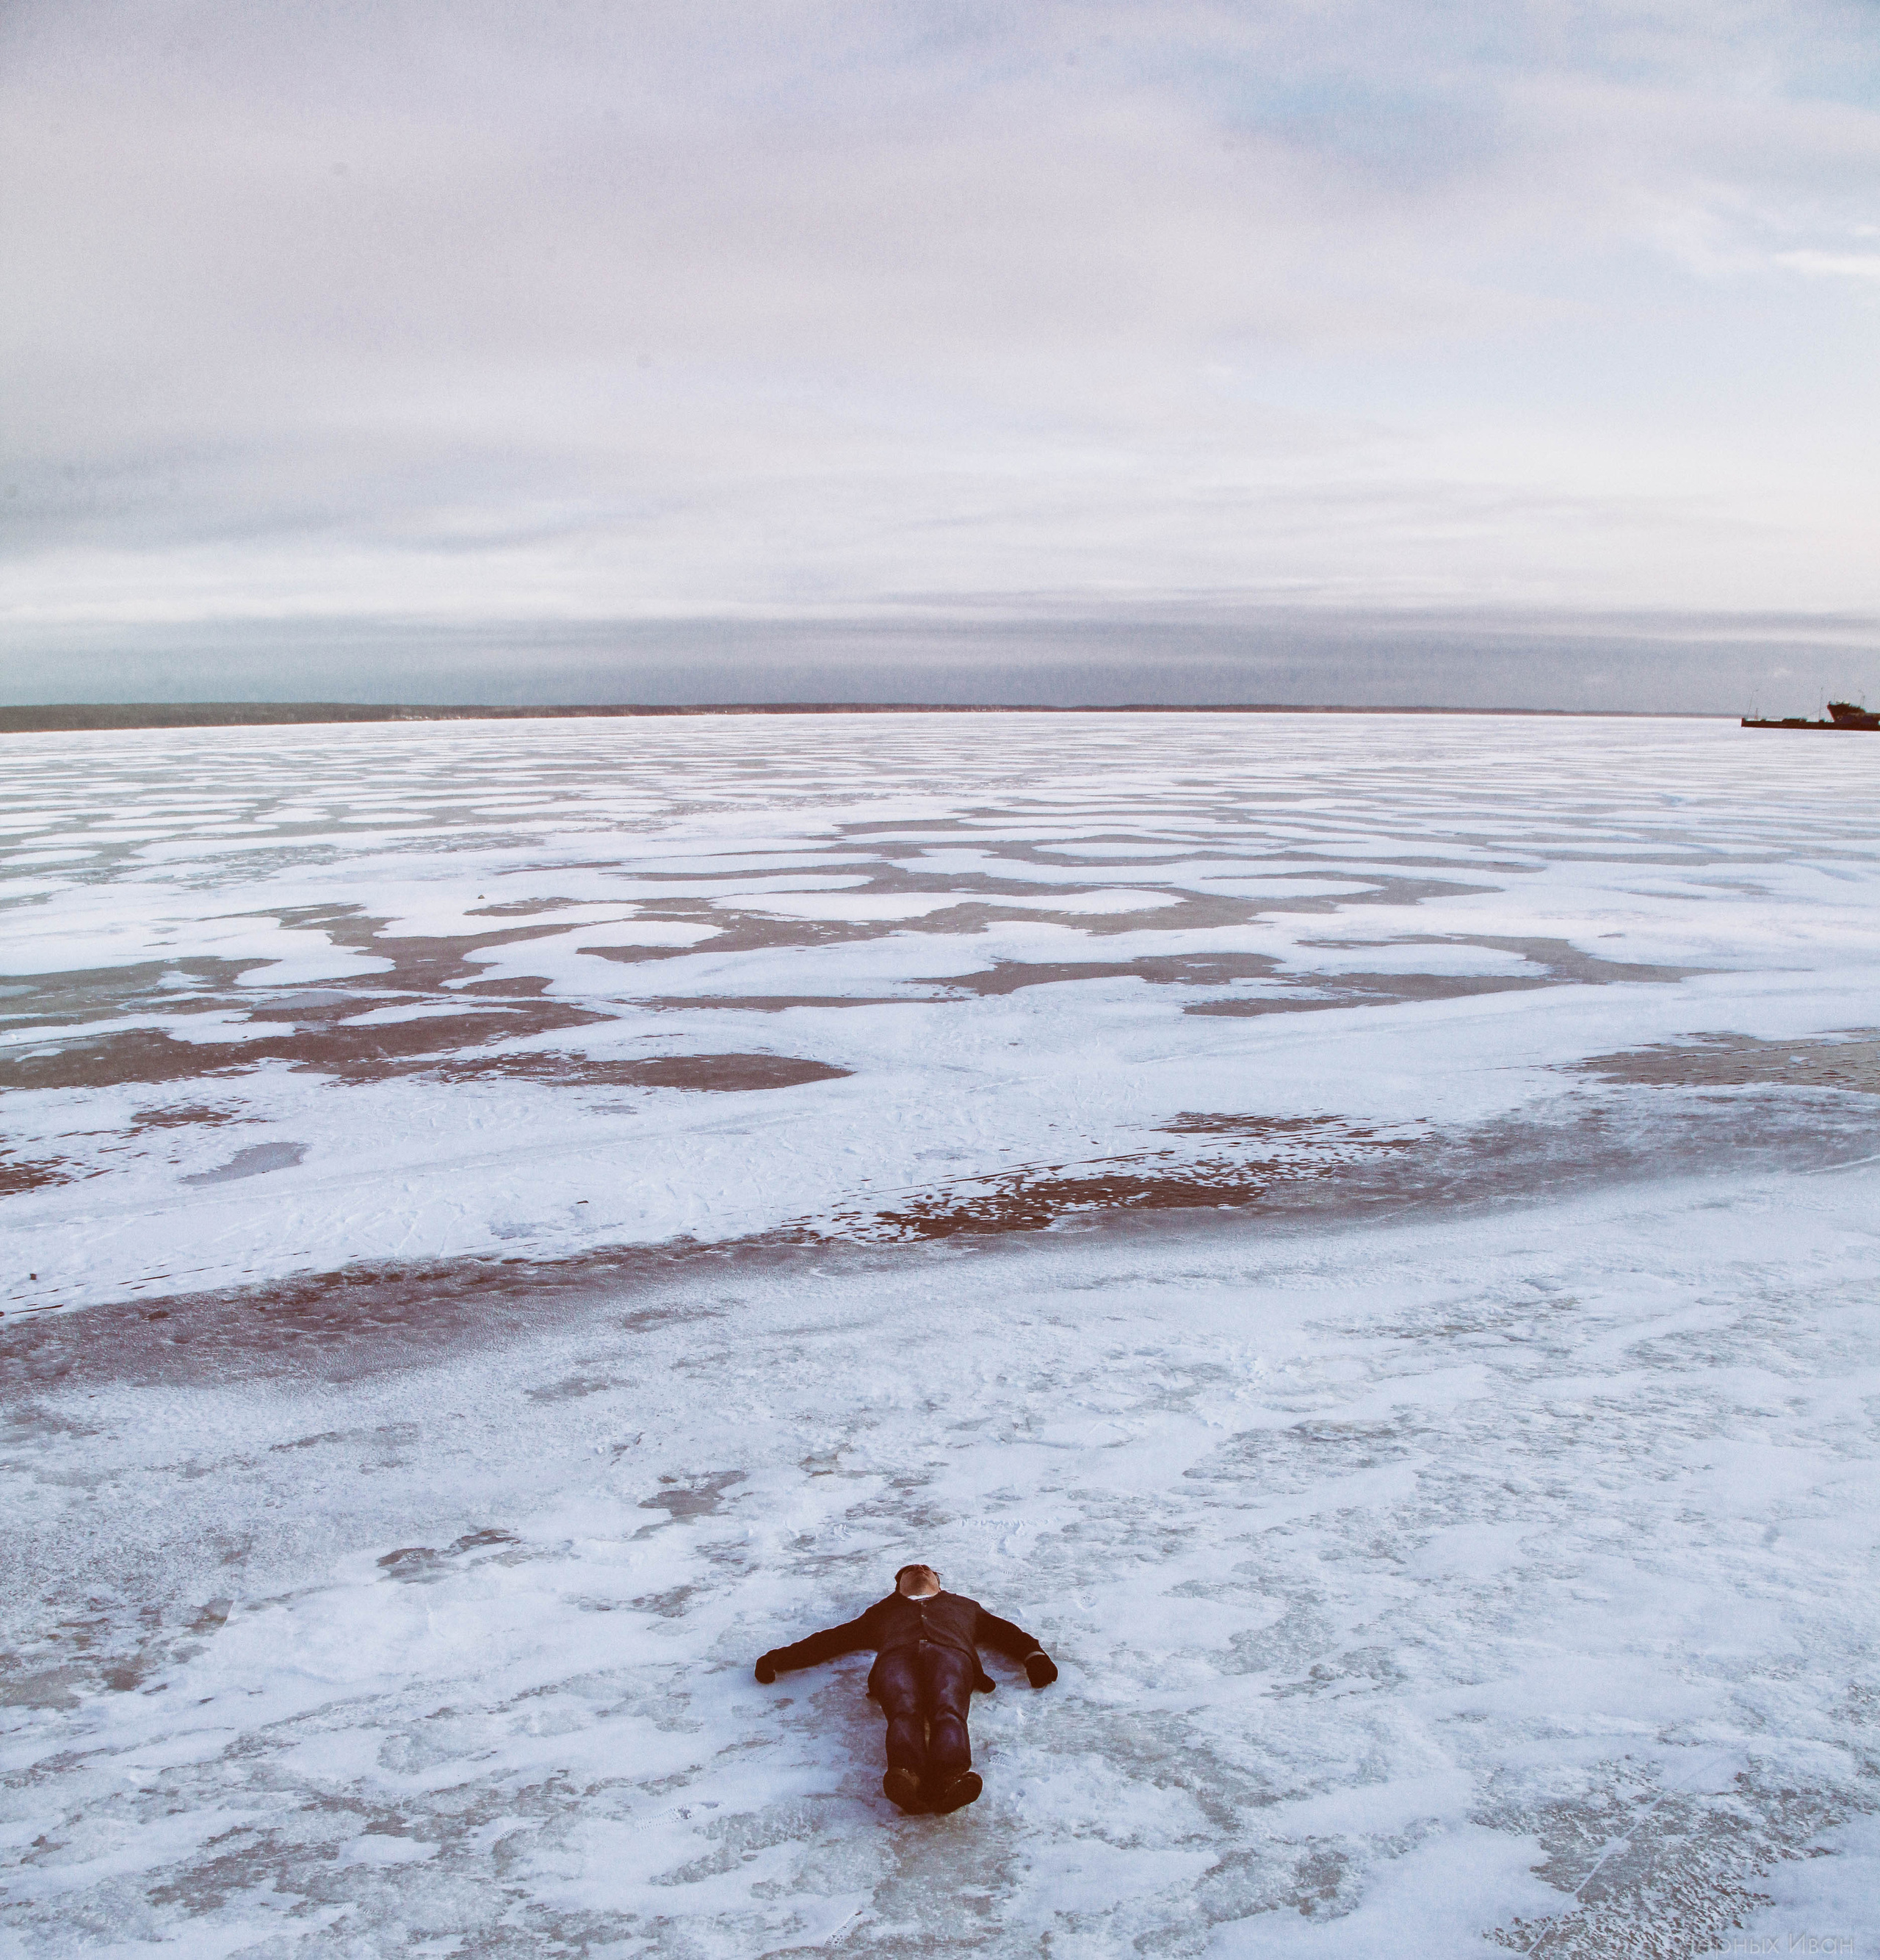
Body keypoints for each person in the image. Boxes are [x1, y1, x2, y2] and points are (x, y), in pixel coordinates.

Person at [753, 1562, 1058, 1815]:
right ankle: (905, 1776)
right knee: (903, 1710)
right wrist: (778, 1660)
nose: (921, 1570)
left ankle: (950, 1777)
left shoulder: (964, 1607)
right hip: (895, 1659)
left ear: (939, 1582)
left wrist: (1034, 1657)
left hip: (952, 1656)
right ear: (898, 1584)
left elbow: (1006, 1633)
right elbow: (831, 1640)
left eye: (928, 1569)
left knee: (949, 1708)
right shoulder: (880, 1612)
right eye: (911, 1570)